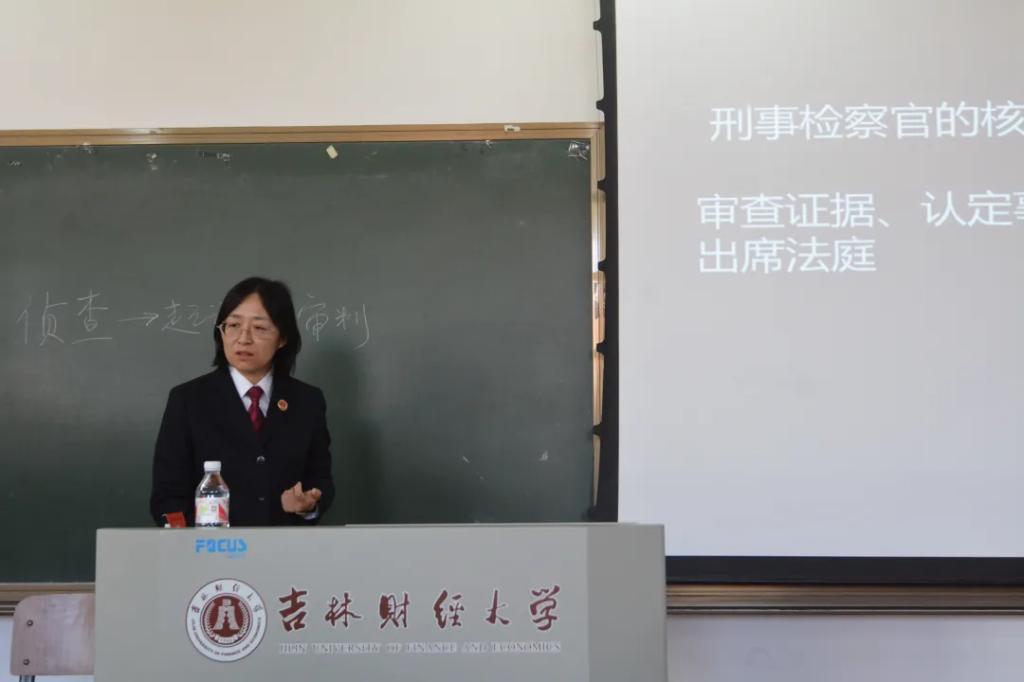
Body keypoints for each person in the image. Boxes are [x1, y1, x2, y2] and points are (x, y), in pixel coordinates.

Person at [149, 276, 335, 526]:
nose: (243, 338)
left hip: (285, 545)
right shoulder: (188, 400)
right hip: (211, 546)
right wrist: (199, 536)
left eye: (259, 328)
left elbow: (320, 480)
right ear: (221, 332)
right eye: (234, 325)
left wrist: (307, 504)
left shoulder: (307, 401)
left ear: (283, 338)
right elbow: (167, 495)